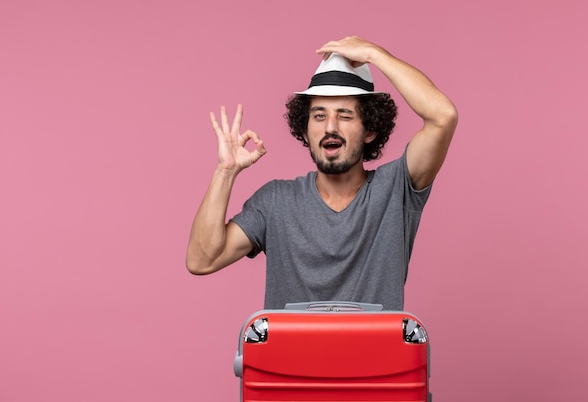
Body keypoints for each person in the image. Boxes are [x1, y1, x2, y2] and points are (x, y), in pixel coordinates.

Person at [186, 36, 458, 310]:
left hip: (377, 354)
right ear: (305, 130)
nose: (330, 127)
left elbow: (442, 116)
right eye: (319, 116)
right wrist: (226, 172)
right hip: (290, 354)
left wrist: (374, 54)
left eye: (345, 115)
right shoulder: (276, 201)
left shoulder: (396, 188)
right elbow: (202, 260)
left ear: (370, 130)